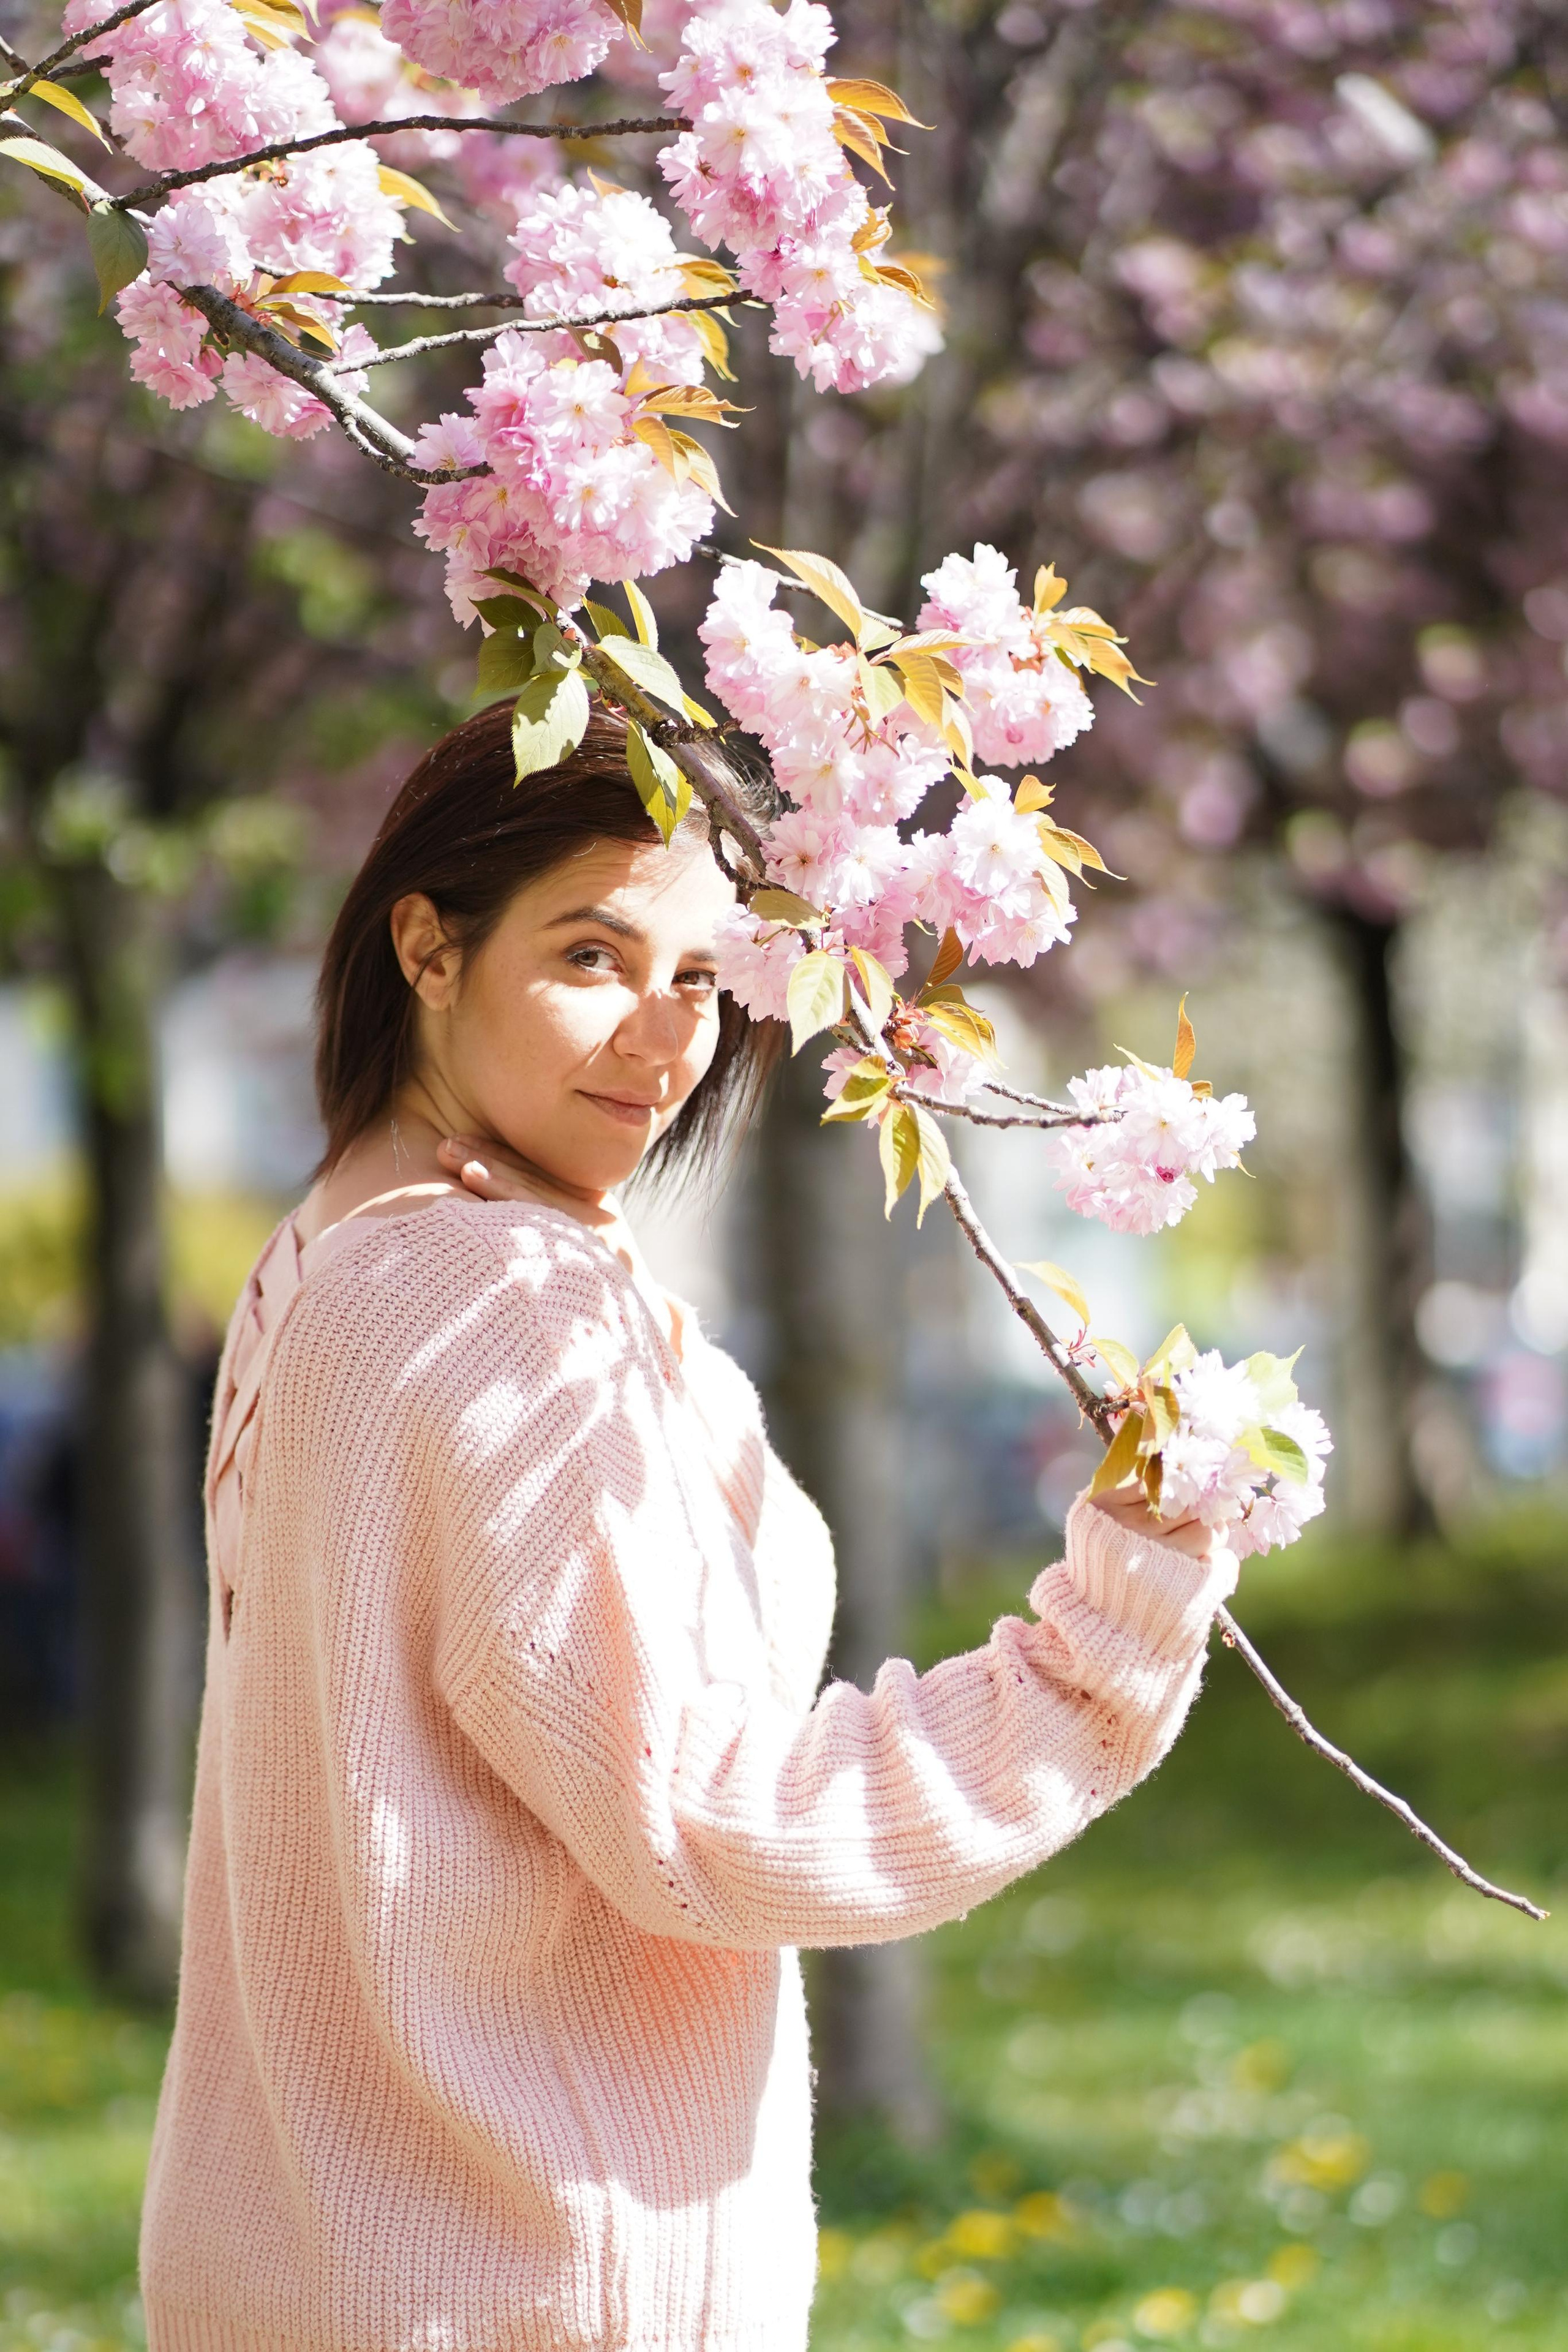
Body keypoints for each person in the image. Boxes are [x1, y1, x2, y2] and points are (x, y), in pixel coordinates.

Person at [139, 701, 1238, 2352]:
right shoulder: (501, 1301)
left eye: (709, 978)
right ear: (428, 947)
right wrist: (1101, 1660)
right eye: (593, 955)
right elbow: (712, 1813)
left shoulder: (326, 1255)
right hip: (522, 2275)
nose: (666, 1040)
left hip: (306, 2260)